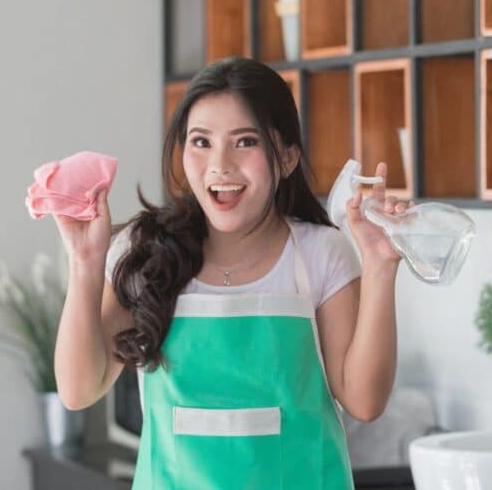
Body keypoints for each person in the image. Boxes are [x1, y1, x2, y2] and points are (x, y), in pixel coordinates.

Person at [51, 56, 410, 489]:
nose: (220, 164)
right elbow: (78, 390)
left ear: (288, 156)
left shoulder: (320, 254)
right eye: (201, 142)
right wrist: (85, 263)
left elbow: (365, 402)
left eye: (245, 142)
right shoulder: (145, 256)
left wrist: (381, 267)